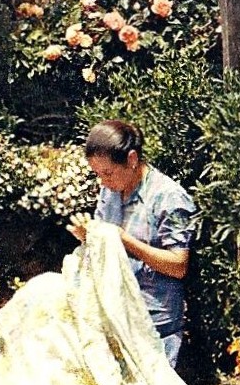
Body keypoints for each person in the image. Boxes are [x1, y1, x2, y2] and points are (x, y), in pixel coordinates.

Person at [68, 119, 197, 369]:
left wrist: (125, 241)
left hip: (151, 320)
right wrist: (89, 235)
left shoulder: (168, 197)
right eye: (97, 174)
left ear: (132, 159)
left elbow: (178, 265)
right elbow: (106, 243)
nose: (103, 182)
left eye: (107, 173)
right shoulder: (111, 190)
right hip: (113, 309)